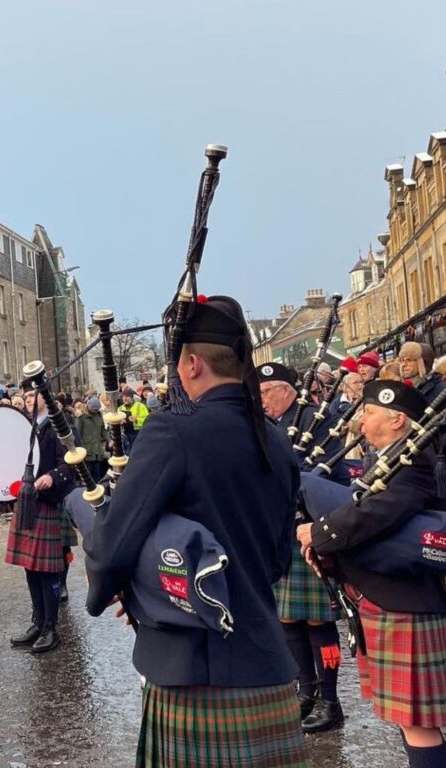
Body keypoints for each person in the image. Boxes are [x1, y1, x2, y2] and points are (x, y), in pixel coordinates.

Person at [86, 295, 306, 767]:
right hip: (267, 666)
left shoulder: (173, 430)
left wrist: (121, 592)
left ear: (189, 364)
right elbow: (277, 562)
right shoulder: (275, 437)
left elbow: (111, 547)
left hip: (196, 673)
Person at [299, 380, 446, 768]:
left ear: (397, 419)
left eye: (370, 411)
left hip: (404, 600)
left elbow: (375, 514)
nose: (362, 419)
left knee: (416, 721)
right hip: (385, 596)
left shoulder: (414, 462)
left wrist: (319, 532)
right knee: (405, 719)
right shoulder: (391, 458)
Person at [260, 361, 345, 732]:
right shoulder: (264, 426)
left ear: (286, 390)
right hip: (277, 531)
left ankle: (330, 700)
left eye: (265, 392)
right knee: (287, 617)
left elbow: (330, 472)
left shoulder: (315, 420)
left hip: (309, 528)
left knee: (318, 620)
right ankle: (304, 692)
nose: (260, 400)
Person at [7, 387, 77, 654]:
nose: (27, 401)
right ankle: (37, 622)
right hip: (26, 500)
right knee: (30, 567)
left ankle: (51, 628)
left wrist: (53, 476)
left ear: (43, 399)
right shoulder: (22, 426)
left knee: (47, 571)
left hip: (47, 501)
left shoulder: (60, 425)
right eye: (24, 397)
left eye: (31, 396)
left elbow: (72, 461)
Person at [75, 397, 109, 481]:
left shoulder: (98, 415)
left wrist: (109, 439)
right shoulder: (81, 417)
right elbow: (77, 434)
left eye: (96, 410)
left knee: (97, 475)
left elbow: (102, 430)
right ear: (88, 407)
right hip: (86, 451)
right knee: (88, 476)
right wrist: (80, 450)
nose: (95, 411)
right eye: (93, 410)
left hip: (97, 450)